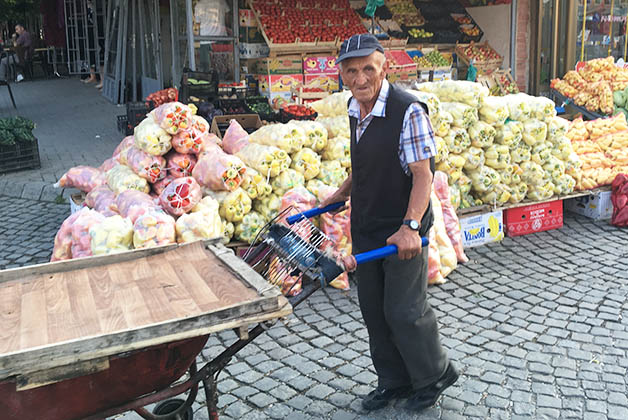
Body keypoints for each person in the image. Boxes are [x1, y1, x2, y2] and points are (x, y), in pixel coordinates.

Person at [320, 33, 458, 412]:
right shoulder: (353, 107)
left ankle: (434, 374)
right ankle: (394, 381)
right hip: (367, 222)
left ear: (384, 68)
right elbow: (365, 161)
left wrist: (411, 227)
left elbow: (423, 175)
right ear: (342, 75)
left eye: (368, 68)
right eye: (352, 71)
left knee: (404, 309)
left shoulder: (408, 110)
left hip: (401, 226)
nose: (360, 78)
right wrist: (340, 194)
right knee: (374, 310)